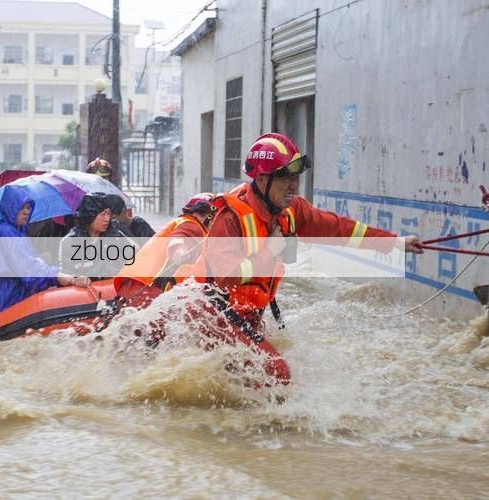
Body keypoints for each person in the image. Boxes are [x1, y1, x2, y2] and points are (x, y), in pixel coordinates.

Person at [200, 132, 423, 385]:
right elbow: (226, 277)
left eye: (296, 177)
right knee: (278, 374)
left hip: (247, 318)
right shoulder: (230, 219)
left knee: (258, 379)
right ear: (262, 181)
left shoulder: (290, 210)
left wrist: (393, 242)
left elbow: (337, 227)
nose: (294, 185)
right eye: (286, 178)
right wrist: (270, 250)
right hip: (216, 317)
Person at [0, 185, 90, 316]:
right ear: (10, 208)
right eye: (21, 207)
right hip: (6, 302)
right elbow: (29, 269)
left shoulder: (18, 232)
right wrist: (57, 275)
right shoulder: (7, 232)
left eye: (28, 207)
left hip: (14, 297)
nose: (26, 212)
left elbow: (31, 263)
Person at [114, 193, 216, 308]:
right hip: (149, 290)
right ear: (206, 216)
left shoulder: (181, 222)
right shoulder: (193, 225)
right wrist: (179, 251)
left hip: (136, 285)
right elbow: (179, 238)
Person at [59, 192, 134, 280]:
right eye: (103, 214)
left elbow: (134, 259)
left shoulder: (116, 236)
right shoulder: (70, 242)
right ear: (90, 216)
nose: (107, 219)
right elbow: (65, 276)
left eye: (108, 214)